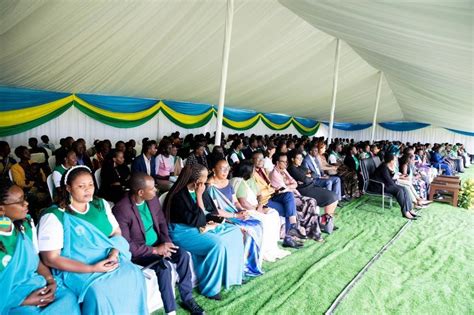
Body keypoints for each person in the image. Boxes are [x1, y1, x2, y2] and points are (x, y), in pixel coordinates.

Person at [37, 166, 148, 314]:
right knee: (100, 292)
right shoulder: (54, 216)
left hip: (108, 258)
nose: (88, 190)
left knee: (134, 275)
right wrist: (92, 268)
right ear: (68, 188)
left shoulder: (100, 204)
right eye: (81, 186)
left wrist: (113, 255)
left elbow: (116, 232)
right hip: (76, 267)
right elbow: (51, 259)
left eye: (91, 185)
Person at [113, 173, 204, 315]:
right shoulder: (122, 209)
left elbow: (162, 222)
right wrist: (156, 250)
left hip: (160, 244)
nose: (156, 190)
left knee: (183, 256)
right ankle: (171, 311)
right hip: (141, 252)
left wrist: (166, 242)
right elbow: (127, 245)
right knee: (164, 267)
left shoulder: (152, 199)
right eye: (152, 188)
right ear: (140, 192)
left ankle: (187, 298)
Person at [163, 164, 244, 300]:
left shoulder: (202, 188)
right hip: (182, 231)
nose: (207, 180)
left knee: (235, 231)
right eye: (204, 178)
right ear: (196, 181)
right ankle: (210, 289)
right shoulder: (179, 196)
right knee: (217, 244)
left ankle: (231, 276)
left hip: (200, 224)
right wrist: (199, 196)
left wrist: (215, 221)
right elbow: (198, 220)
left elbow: (210, 211)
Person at [0, 180, 80, 315]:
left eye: (24, 198)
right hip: (9, 298)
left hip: (35, 284)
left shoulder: (24, 225)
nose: (26, 203)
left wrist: (50, 281)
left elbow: (37, 261)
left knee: (68, 298)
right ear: (1, 209)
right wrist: (22, 301)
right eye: (20, 202)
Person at [208, 160, 264, 277]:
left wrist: (241, 210)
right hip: (220, 218)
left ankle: (251, 263)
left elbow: (235, 201)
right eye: (222, 168)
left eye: (227, 168)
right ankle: (241, 267)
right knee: (246, 230)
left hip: (234, 213)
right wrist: (236, 216)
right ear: (213, 169)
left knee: (258, 224)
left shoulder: (228, 182)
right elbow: (216, 210)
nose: (225, 171)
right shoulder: (210, 186)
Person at [230, 161, 291, 262]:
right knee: (266, 219)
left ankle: (271, 245)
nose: (254, 172)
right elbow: (243, 203)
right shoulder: (238, 182)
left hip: (254, 207)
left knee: (274, 213)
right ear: (247, 171)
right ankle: (265, 249)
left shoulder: (246, 180)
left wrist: (259, 205)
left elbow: (259, 195)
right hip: (246, 210)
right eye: (253, 170)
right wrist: (256, 209)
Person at [251, 152, 304, 249]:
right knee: (289, 209)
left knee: (289, 195)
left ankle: (291, 230)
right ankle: (289, 236)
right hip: (263, 201)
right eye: (257, 159)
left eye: (262, 159)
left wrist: (275, 190)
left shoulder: (263, 170)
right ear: (252, 160)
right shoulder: (251, 173)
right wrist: (273, 189)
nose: (260, 161)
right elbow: (258, 192)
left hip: (271, 196)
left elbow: (271, 185)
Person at [269, 154, 324, 241]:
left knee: (312, 201)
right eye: (284, 162)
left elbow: (295, 183)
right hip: (283, 197)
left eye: (287, 161)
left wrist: (289, 185)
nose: (286, 163)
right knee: (310, 202)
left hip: (292, 194)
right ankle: (311, 231)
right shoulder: (274, 174)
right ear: (277, 162)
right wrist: (290, 185)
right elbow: (283, 189)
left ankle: (312, 230)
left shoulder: (284, 171)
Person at [287, 151, 338, 217]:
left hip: (311, 186)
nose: (301, 160)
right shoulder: (292, 169)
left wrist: (309, 176)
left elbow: (314, 174)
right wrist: (308, 176)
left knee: (334, 197)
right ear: (292, 159)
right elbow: (305, 180)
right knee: (332, 198)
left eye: (301, 158)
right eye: (298, 158)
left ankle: (327, 221)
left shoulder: (300, 166)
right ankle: (326, 222)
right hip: (304, 190)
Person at [371, 154, 418, 219]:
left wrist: (393, 171)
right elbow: (389, 181)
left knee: (404, 188)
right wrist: (397, 183)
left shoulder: (386, 165)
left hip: (386, 184)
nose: (395, 161)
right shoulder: (383, 167)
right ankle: (405, 212)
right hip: (379, 186)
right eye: (394, 160)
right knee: (399, 190)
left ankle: (410, 209)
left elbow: (391, 178)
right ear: (391, 161)